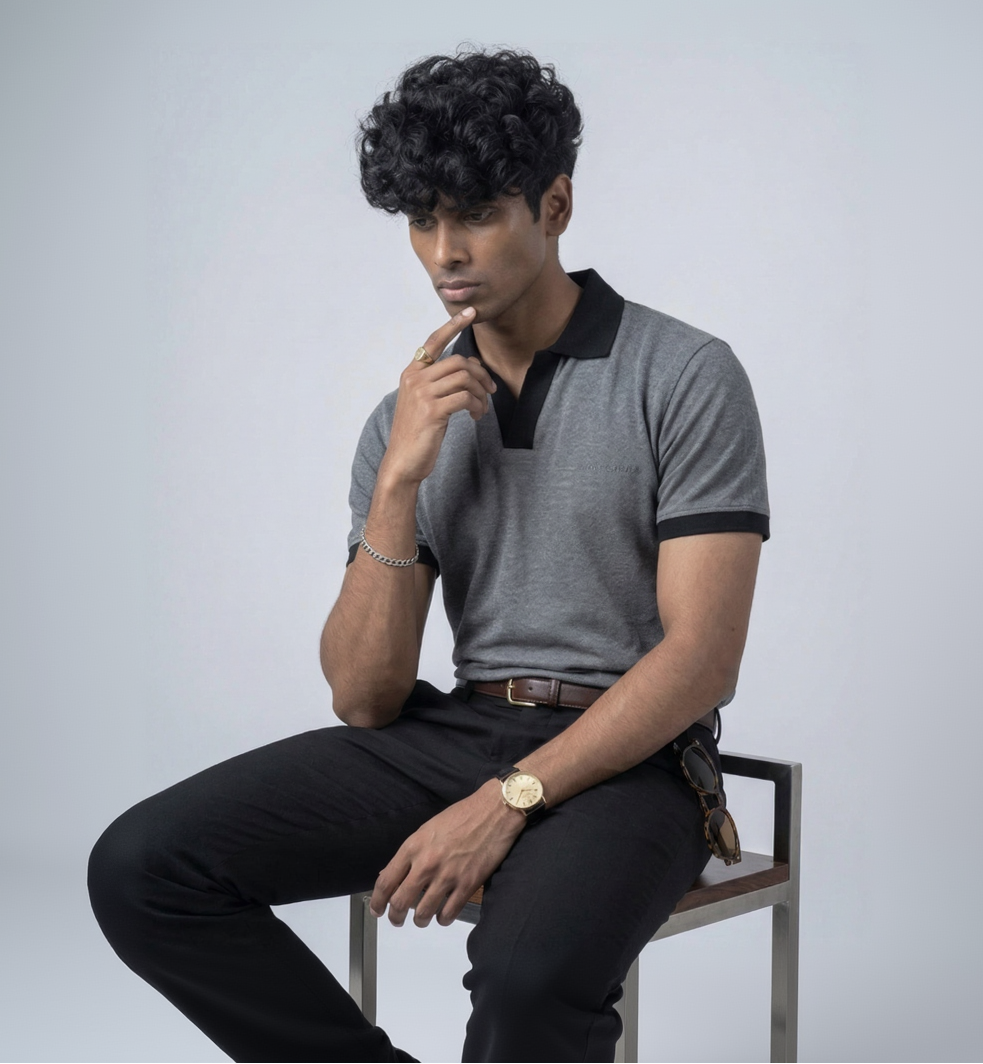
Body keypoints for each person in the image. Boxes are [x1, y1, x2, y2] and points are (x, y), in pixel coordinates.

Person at [88, 48, 769, 1063]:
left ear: (555, 205)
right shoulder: (402, 417)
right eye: (420, 221)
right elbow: (364, 696)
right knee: (144, 865)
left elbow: (701, 660)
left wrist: (510, 799)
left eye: (478, 214)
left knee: (527, 977)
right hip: (452, 730)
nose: (445, 251)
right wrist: (401, 480)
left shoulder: (683, 374)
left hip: (636, 757)